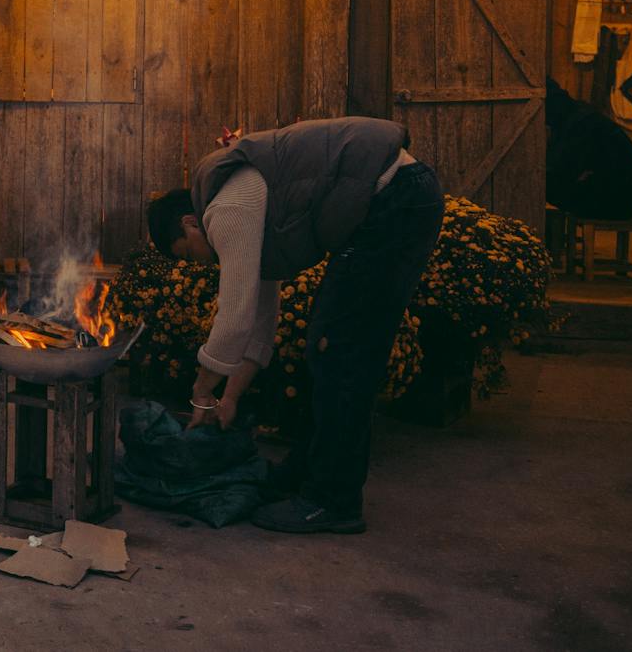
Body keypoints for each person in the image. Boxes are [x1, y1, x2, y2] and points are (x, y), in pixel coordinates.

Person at [144, 116, 441, 535]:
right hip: (395, 200)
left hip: (392, 200)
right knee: (327, 347)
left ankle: (332, 500)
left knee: (343, 354)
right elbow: (261, 322)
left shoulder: (224, 209)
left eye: (190, 255)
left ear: (190, 223)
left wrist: (201, 390)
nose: (201, 264)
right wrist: (230, 397)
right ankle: (306, 473)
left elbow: (234, 317)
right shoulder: (249, 207)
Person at [544, 78, 632, 219]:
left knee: (547, 186)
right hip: (622, 192)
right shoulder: (577, 116)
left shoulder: (579, 122)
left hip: (620, 199)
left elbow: (565, 168)